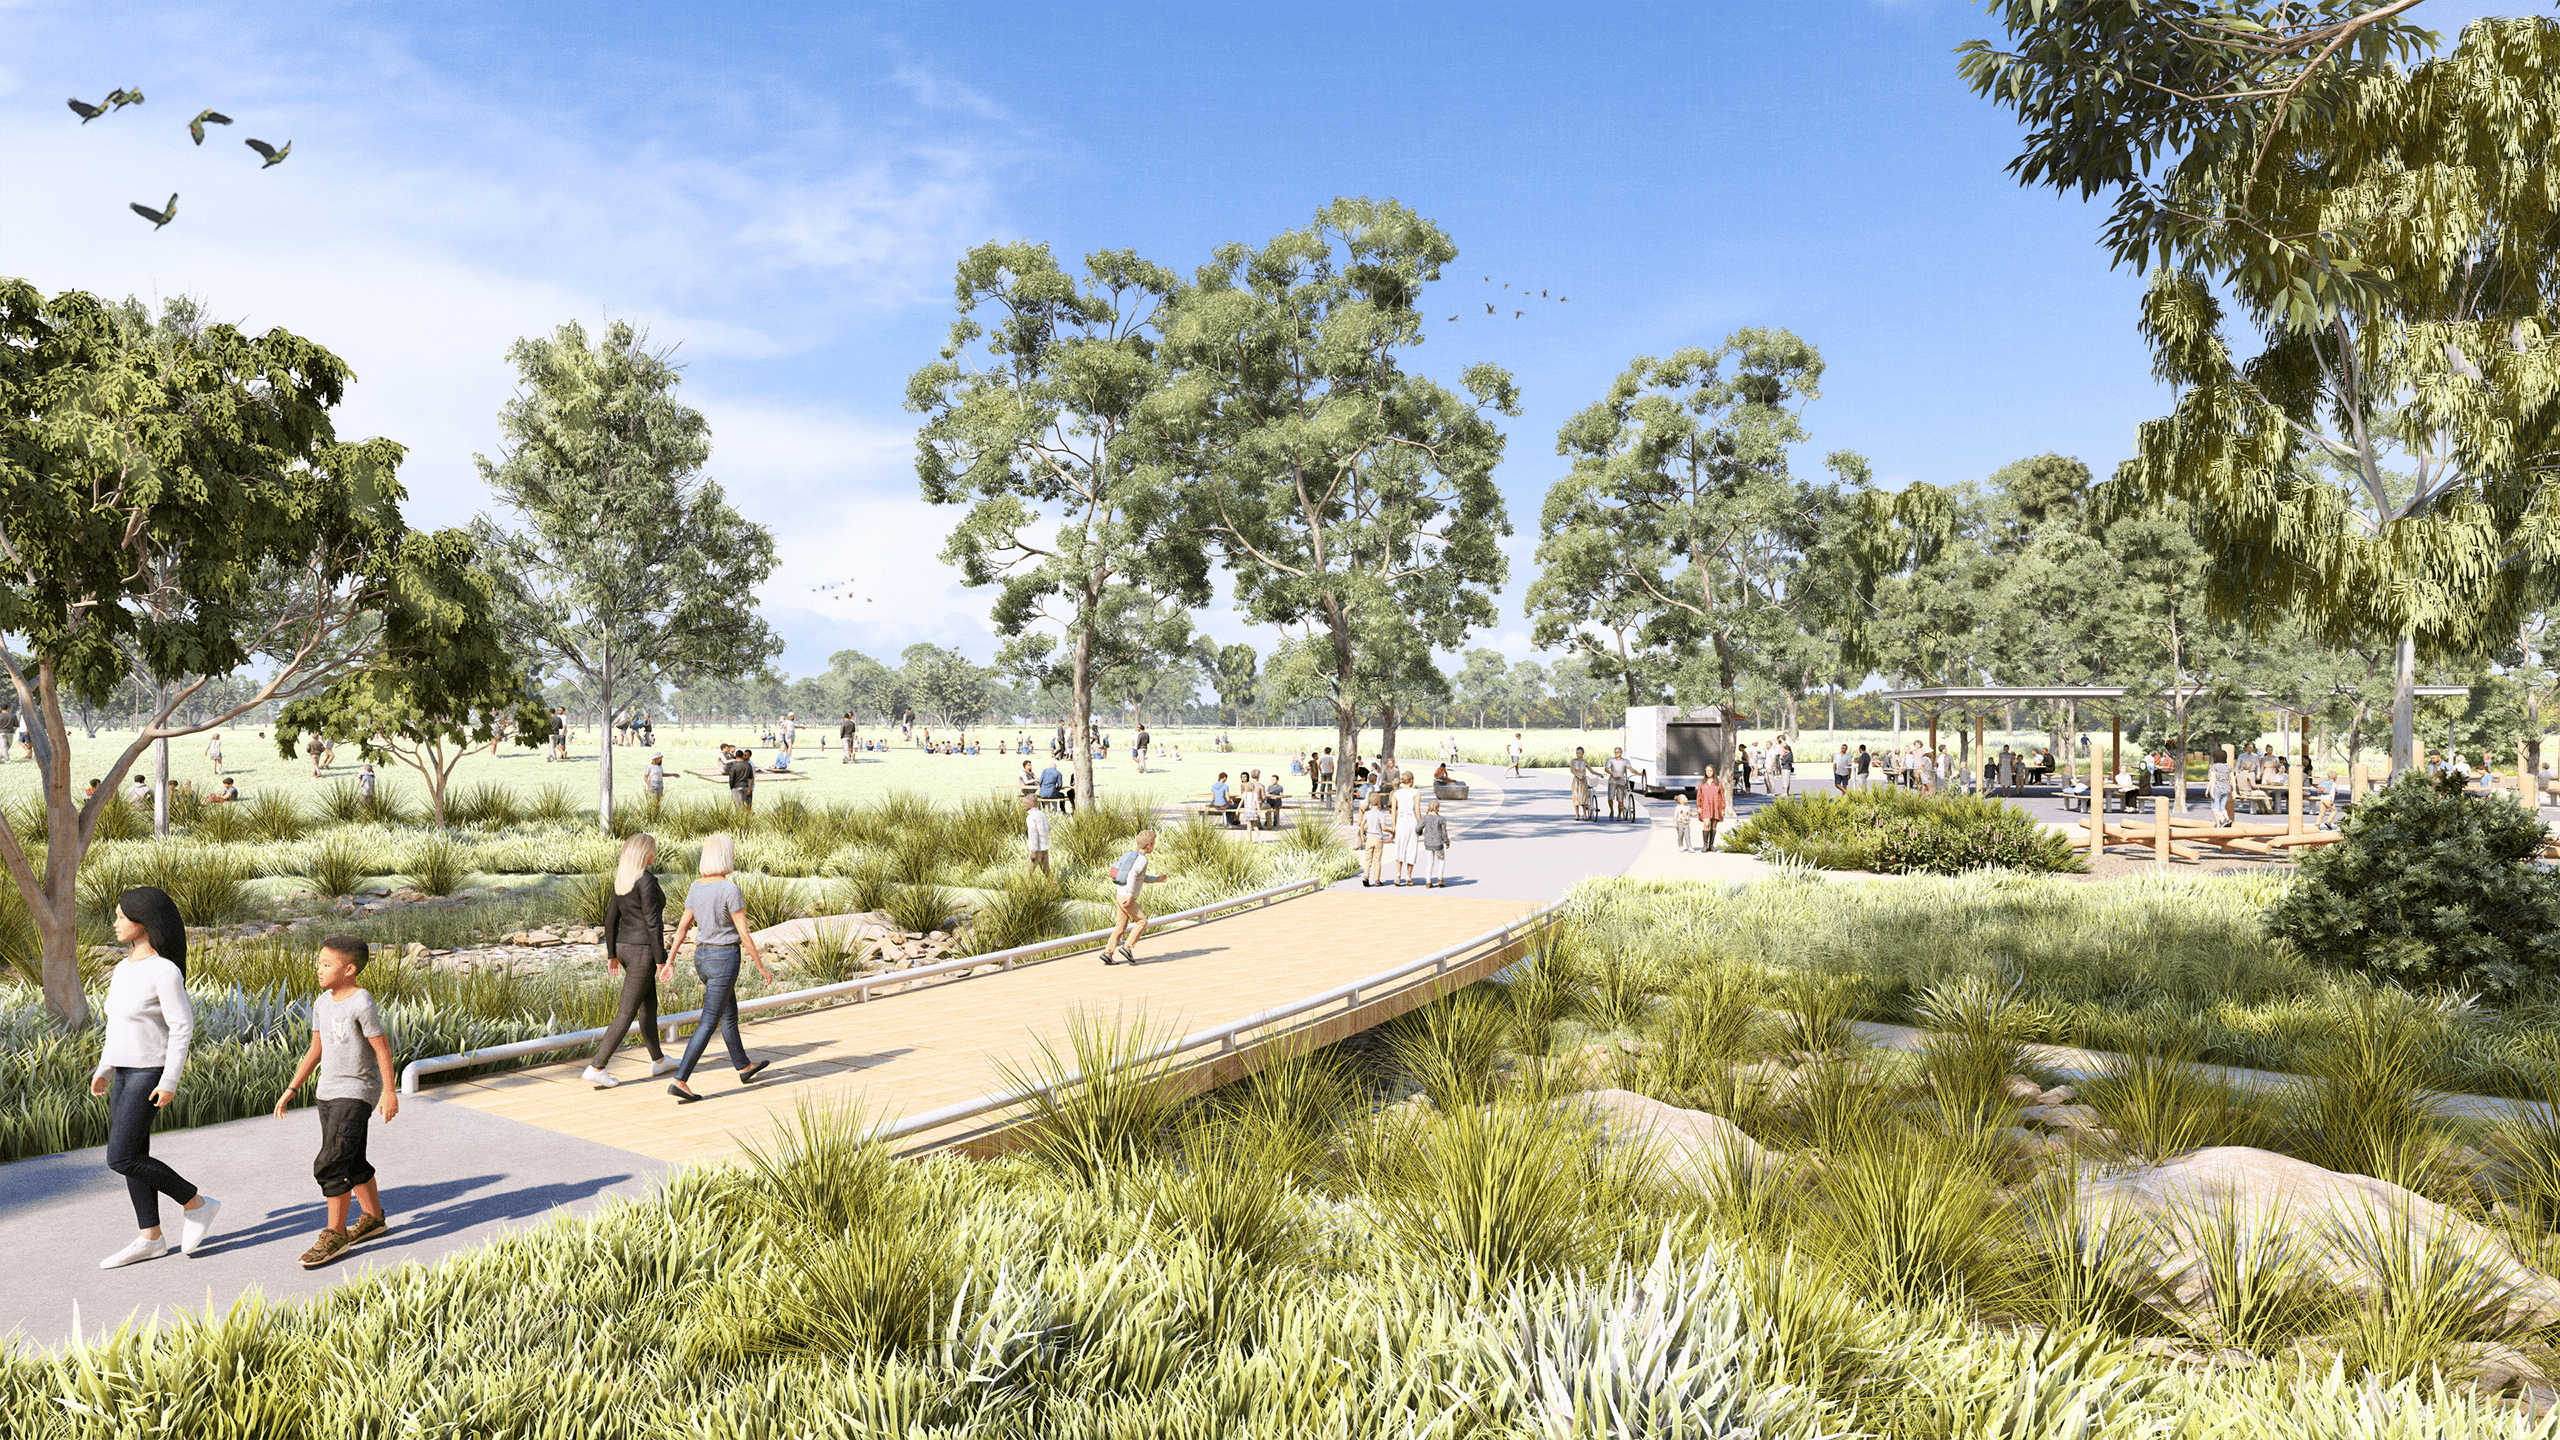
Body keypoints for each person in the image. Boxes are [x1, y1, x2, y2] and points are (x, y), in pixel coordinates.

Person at [92, 886, 220, 1268]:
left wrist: (169, 1080)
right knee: (136, 1154)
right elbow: (117, 1025)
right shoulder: (122, 968)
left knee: (121, 1157)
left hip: (150, 1073)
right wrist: (105, 1067)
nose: (114, 923)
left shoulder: (164, 971)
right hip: (123, 1074)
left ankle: (196, 1203)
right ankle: (151, 1237)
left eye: (120, 917)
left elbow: (182, 1027)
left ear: (143, 924)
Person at [271, 936, 399, 1268]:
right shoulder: (322, 1003)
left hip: (357, 1090)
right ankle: (372, 1217)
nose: (319, 969)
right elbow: (316, 1048)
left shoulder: (362, 1002)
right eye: (319, 963)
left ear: (349, 969)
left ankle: (335, 1234)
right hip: (327, 1091)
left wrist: (389, 1091)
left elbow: (382, 1049)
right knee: (351, 1157)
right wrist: (293, 1087)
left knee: (331, 1162)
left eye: (327, 965)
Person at [664, 833, 777, 1102]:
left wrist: (670, 960)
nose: (735, 857)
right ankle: (681, 1079)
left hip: (702, 958)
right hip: (724, 959)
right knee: (709, 1021)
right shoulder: (729, 889)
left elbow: (682, 928)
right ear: (725, 856)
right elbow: (745, 935)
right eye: (732, 852)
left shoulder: (695, 887)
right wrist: (761, 966)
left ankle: (743, 1066)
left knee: (728, 1015)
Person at [581, 834, 676, 1089]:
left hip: (624, 947)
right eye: (652, 851)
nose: (655, 855)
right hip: (642, 951)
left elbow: (610, 919)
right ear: (643, 854)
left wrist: (612, 954)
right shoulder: (644, 880)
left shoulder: (623, 879)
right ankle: (597, 1066)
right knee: (626, 1011)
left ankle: (658, 1060)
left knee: (649, 1006)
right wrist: (661, 960)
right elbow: (652, 922)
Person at [1102, 830, 1166, 965]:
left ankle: (1108, 953)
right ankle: (1127, 947)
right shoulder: (1142, 860)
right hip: (1127, 897)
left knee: (1121, 925)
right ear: (1149, 846)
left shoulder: (1132, 855)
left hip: (1120, 894)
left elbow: (1140, 877)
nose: (1154, 846)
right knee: (1142, 921)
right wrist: (1130, 896)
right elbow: (1131, 876)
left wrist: (1157, 879)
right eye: (1153, 844)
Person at [1392, 771, 1423, 884]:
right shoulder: (1416, 792)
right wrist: (1421, 824)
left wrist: (1393, 825)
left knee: (1400, 846)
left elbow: (1394, 811)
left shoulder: (1396, 793)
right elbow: (1417, 810)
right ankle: (1408, 875)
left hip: (1400, 819)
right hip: (1411, 820)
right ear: (1411, 781)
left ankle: (1398, 873)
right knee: (1411, 846)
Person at [1360, 793, 1392, 886]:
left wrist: (1362, 837)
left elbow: (1362, 825)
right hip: (1378, 838)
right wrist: (1391, 832)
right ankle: (1377, 880)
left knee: (1368, 859)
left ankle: (1366, 876)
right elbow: (1384, 828)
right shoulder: (1381, 814)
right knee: (1377, 859)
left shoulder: (1367, 813)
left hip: (1369, 838)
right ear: (1379, 802)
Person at [1419, 799, 1452, 886]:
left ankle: (1428, 881)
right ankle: (1440, 879)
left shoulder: (1425, 818)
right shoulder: (1441, 819)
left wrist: (1420, 833)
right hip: (1438, 844)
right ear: (1437, 808)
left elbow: (1417, 828)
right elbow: (1444, 833)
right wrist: (1447, 842)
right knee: (1441, 860)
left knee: (1430, 862)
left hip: (1428, 843)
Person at [1699, 769, 1730, 852]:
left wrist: (1723, 808)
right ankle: (1705, 845)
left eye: (1710, 771)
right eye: (1707, 771)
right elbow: (1699, 795)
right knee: (1706, 824)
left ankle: (1711, 845)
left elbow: (1722, 796)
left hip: (1716, 807)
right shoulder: (1702, 782)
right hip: (1705, 806)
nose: (1708, 772)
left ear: (1714, 772)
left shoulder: (1718, 783)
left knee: (1714, 825)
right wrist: (1699, 806)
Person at [1024, 796, 1052, 876]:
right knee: (1047, 873)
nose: (1024, 805)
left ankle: (1028, 889)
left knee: (1028, 874)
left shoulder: (1030, 817)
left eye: (1025, 803)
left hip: (1037, 850)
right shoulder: (1042, 814)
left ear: (1030, 805)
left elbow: (1033, 834)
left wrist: (1033, 851)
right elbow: (1048, 828)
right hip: (1045, 848)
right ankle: (1057, 888)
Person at [725, 747, 755, 812]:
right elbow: (751, 777)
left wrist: (731, 787)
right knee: (745, 804)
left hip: (736, 786)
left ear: (736, 756)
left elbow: (731, 778)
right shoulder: (748, 765)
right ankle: (748, 814)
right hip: (746, 786)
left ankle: (742, 817)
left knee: (738, 805)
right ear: (742, 756)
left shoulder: (734, 766)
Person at [1569, 747, 1593, 821]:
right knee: (1576, 797)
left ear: (1583, 753)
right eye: (1577, 753)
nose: (1578, 754)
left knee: (1584, 797)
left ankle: (1584, 814)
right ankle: (1577, 814)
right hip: (1576, 780)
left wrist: (1599, 774)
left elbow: (1591, 771)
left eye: (1579, 753)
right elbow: (1572, 770)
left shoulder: (1585, 762)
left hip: (1583, 781)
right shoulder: (1573, 761)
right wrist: (1578, 775)